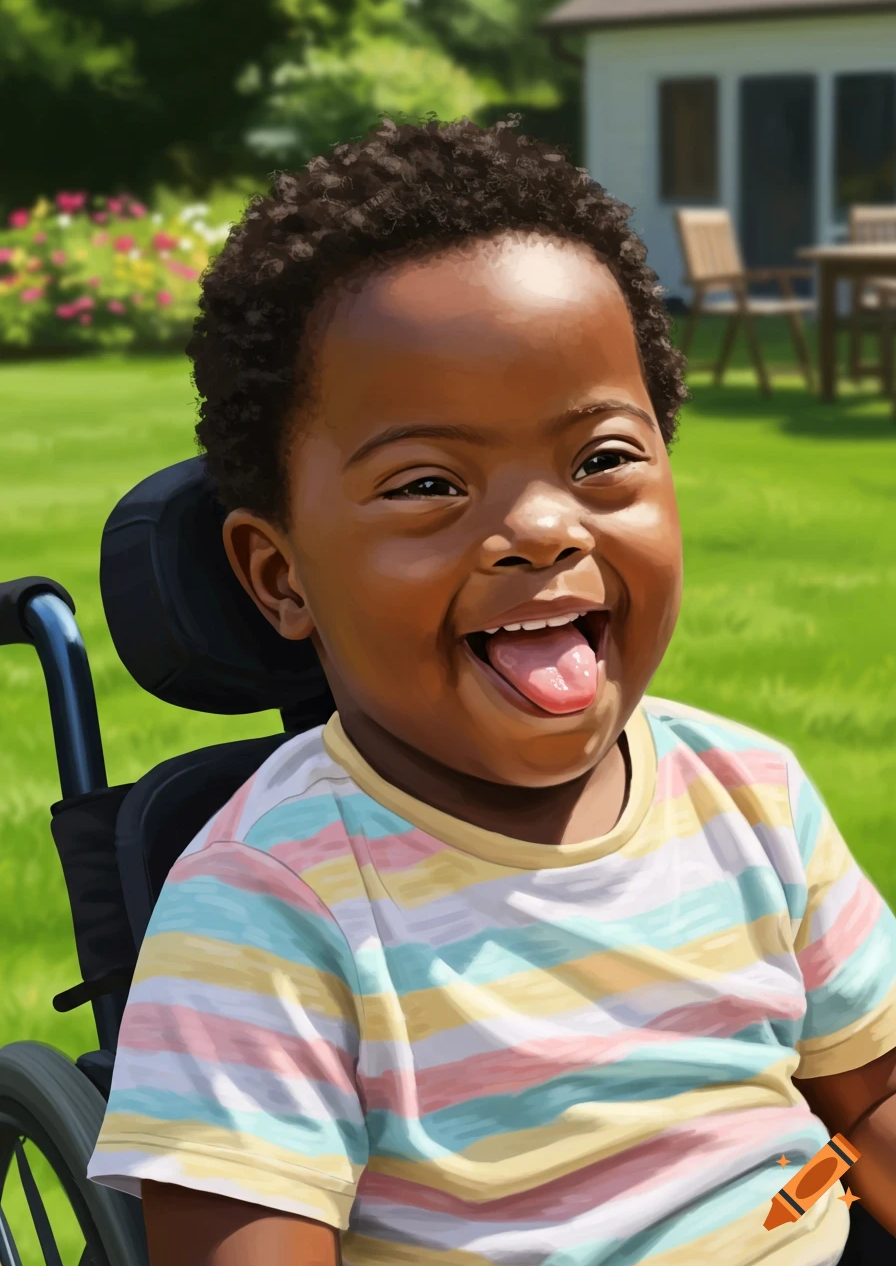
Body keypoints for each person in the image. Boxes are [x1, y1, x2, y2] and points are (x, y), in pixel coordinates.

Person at [86, 116, 896, 1265]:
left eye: (601, 459)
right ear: (279, 574)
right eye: (428, 482)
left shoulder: (749, 793)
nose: (539, 528)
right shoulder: (269, 906)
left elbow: (863, 1105)